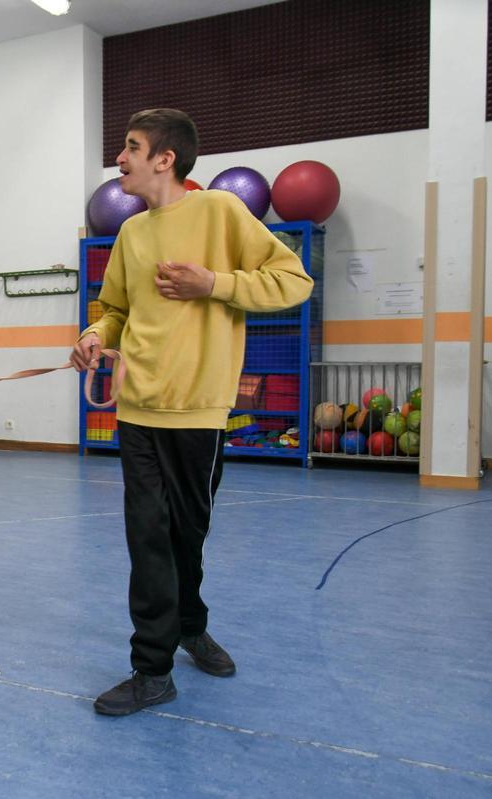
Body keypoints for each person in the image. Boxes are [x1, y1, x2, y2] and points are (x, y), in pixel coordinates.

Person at [70, 109, 314, 716]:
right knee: (147, 538)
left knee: (186, 537)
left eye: (130, 148)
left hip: (199, 413)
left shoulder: (221, 213)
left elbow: (294, 280)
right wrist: (97, 334)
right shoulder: (129, 235)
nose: (119, 160)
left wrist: (217, 284)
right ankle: (152, 670)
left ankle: (190, 624)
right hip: (137, 410)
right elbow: (117, 310)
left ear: (165, 158)